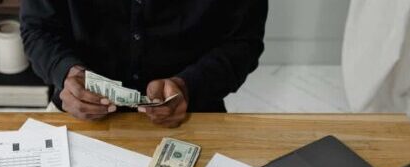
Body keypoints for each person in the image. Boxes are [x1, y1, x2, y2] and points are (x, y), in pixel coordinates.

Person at [20, 0, 268, 128]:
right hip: (77, 106)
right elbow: (37, 29)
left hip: (193, 111)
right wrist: (66, 72)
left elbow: (243, 42)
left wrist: (188, 85)